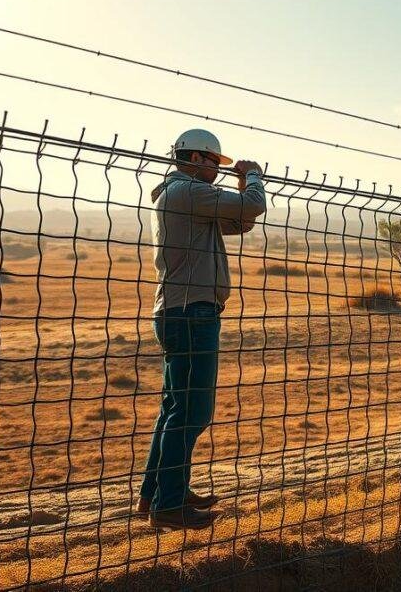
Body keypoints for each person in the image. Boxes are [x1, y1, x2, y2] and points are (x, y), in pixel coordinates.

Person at [138, 128, 266, 530]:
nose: (218, 170)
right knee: (193, 412)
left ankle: (157, 493)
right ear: (195, 160)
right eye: (215, 163)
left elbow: (238, 221)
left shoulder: (178, 196)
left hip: (178, 311)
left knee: (173, 410)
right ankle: (168, 504)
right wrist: (254, 176)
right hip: (193, 313)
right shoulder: (187, 193)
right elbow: (251, 207)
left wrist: (239, 202)